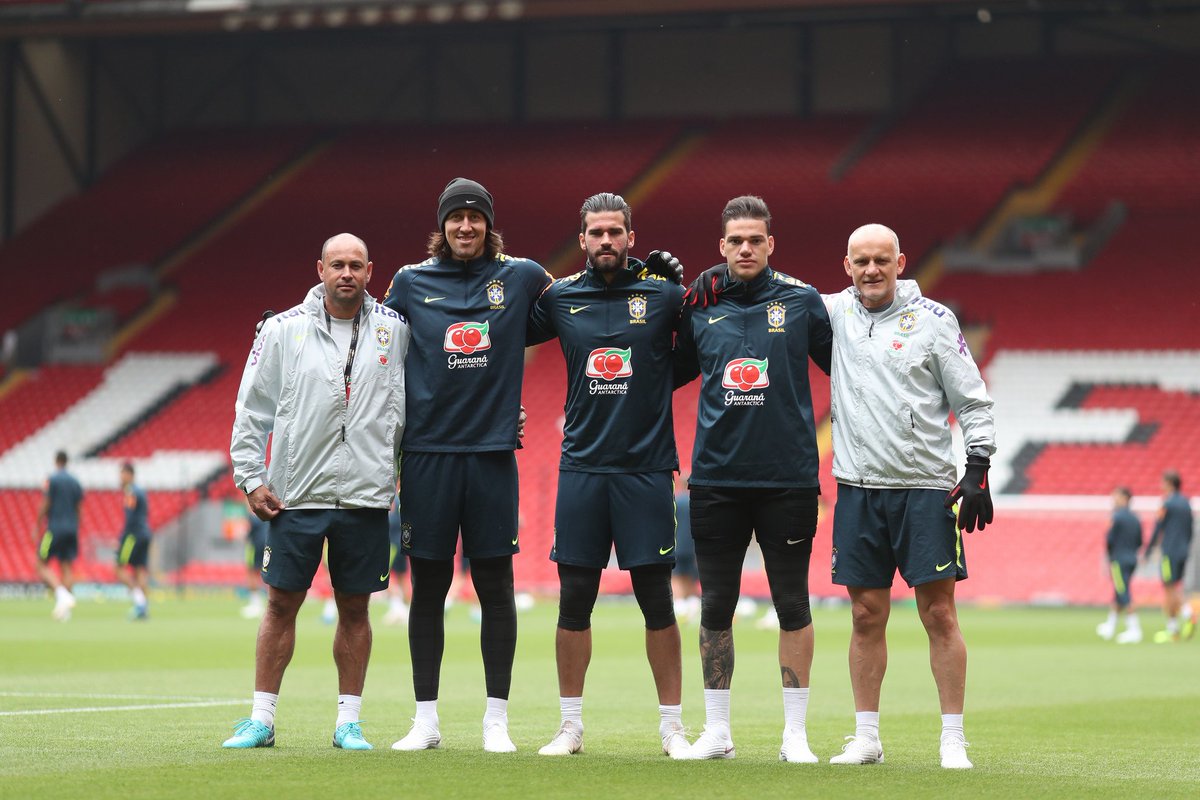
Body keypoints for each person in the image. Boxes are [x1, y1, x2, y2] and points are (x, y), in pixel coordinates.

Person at [382, 178, 552, 753]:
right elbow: (373, 339)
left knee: (495, 588)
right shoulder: (409, 282)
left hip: (491, 455)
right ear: (442, 226)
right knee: (427, 590)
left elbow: (580, 308)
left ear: (488, 224)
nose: (465, 227)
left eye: (475, 217)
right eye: (455, 218)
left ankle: (495, 721)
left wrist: (644, 283)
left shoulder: (522, 276)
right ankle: (425, 720)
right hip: (427, 457)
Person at [225, 232, 410, 751]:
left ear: (371, 271)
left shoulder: (396, 331)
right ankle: (261, 718)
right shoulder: (282, 330)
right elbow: (251, 407)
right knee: (281, 605)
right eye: (337, 265)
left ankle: (348, 722)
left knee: (355, 609)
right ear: (320, 269)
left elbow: (413, 404)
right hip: (295, 494)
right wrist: (251, 476)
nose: (346, 273)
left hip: (365, 496)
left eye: (356, 265)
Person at [822, 224, 994, 769]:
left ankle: (952, 738)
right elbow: (765, 299)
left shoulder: (936, 322)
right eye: (860, 261)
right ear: (845, 264)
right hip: (858, 489)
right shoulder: (831, 314)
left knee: (938, 613)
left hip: (924, 490)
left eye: (881, 260)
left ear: (901, 261)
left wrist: (978, 467)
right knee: (865, 615)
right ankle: (867, 736)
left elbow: (972, 400)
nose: (871, 270)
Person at [525, 192, 689, 758]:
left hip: (645, 470)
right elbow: (499, 340)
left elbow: (698, 352)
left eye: (615, 232)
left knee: (656, 599)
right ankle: (570, 726)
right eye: (596, 233)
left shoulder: (664, 296)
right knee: (575, 598)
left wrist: (684, 293)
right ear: (583, 239)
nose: (605, 241)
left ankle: (673, 727)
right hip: (583, 468)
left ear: (630, 237)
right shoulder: (560, 298)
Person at [672, 195, 833, 763]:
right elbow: (659, 373)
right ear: (721, 246)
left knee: (792, 603)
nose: (745, 248)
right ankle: (717, 732)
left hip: (788, 478)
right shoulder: (699, 305)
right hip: (715, 478)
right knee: (716, 604)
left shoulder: (802, 301)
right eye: (735, 240)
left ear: (771, 244)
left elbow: (853, 372)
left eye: (755, 239)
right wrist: (672, 299)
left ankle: (795, 735)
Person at [1144, 470, 1195, 643]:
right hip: (1183, 551)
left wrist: (1148, 551)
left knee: (1169, 589)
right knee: (1173, 587)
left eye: (1163, 482)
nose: (1161, 486)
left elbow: (1158, 528)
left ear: (1169, 484)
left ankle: (1188, 613)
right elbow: (1190, 529)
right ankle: (1173, 630)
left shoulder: (1166, 504)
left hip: (1169, 552)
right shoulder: (1187, 503)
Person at [34, 450, 84, 621]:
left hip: (55, 527)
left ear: (56, 462)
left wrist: (37, 524)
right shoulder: (75, 482)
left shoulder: (52, 479)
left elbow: (46, 502)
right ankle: (66, 611)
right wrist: (77, 527)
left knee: (41, 564)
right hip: (71, 528)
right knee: (66, 567)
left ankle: (62, 595)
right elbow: (79, 508)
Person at [1096, 487, 1143, 643]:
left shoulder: (1116, 517)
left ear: (1124, 498)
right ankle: (1111, 624)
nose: (1113, 500)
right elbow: (1139, 541)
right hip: (1132, 559)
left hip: (1119, 559)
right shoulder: (1136, 518)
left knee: (1123, 592)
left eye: (1115, 497)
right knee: (1119, 590)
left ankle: (1134, 628)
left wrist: (1111, 557)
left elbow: (1109, 539)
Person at [115, 462, 152, 620]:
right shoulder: (140, 491)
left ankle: (140, 603)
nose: (120, 478)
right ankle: (143, 609)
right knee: (139, 570)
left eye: (122, 474)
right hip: (145, 533)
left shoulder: (130, 492)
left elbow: (130, 518)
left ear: (130, 475)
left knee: (119, 568)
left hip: (133, 535)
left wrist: (122, 538)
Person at [672, 485, 701, 624]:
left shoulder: (676, 500)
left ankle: (680, 609)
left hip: (677, 545)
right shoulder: (698, 501)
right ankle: (693, 606)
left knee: (676, 578)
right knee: (691, 578)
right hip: (693, 547)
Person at [240, 495, 269, 619]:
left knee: (252, 573)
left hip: (256, 546)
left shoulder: (252, 516)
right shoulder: (268, 513)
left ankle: (255, 603)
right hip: (268, 544)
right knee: (267, 574)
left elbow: (248, 532)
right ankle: (261, 604)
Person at [384, 493, 411, 626]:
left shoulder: (391, 498)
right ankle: (407, 609)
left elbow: (390, 521)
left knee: (384, 576)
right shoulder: (403, 498)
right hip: (403, 543)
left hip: (392, 545)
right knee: (401, 577)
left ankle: (398, 607)